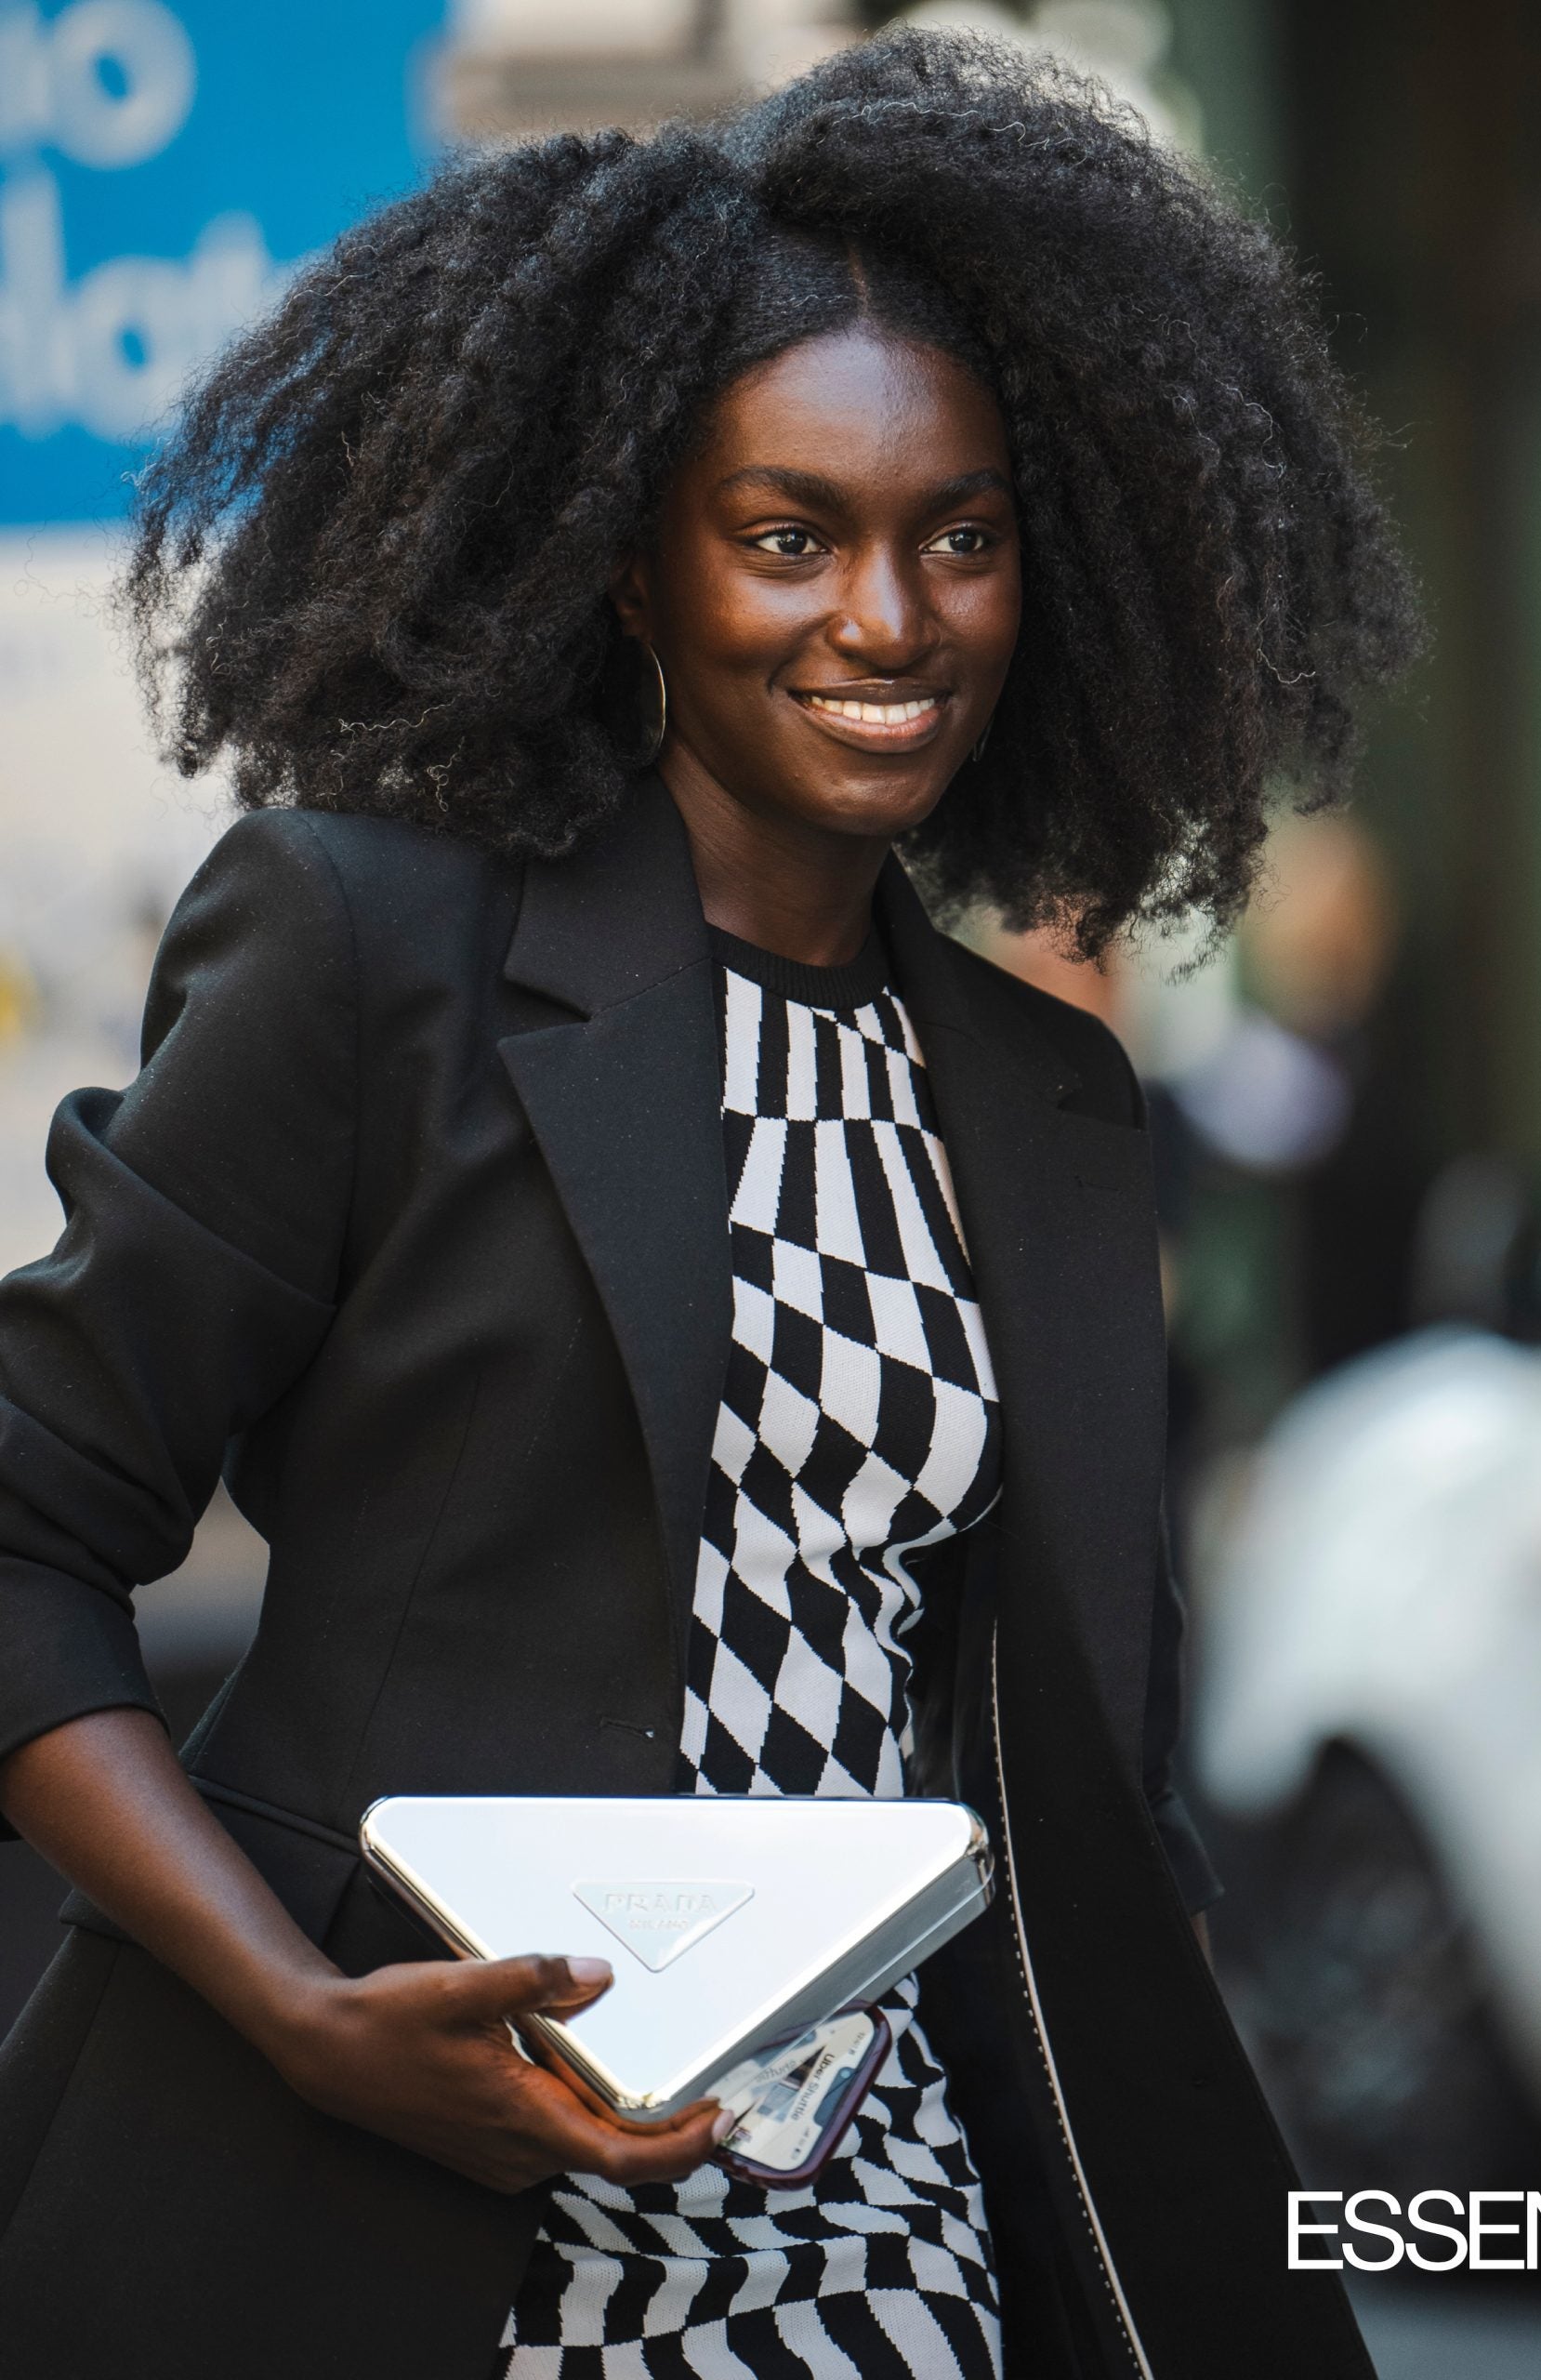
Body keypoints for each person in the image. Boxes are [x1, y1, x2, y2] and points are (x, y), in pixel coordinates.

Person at [0, 30, 1416, 2380]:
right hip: (401, 2218)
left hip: (888, 2238)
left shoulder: (1042, 1098)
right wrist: (301, 2000)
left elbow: (1068, 1789)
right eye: (788, 533)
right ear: (632, 568)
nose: (888, 615)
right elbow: (26, 1520)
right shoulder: (376, 952)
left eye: (957, 535)